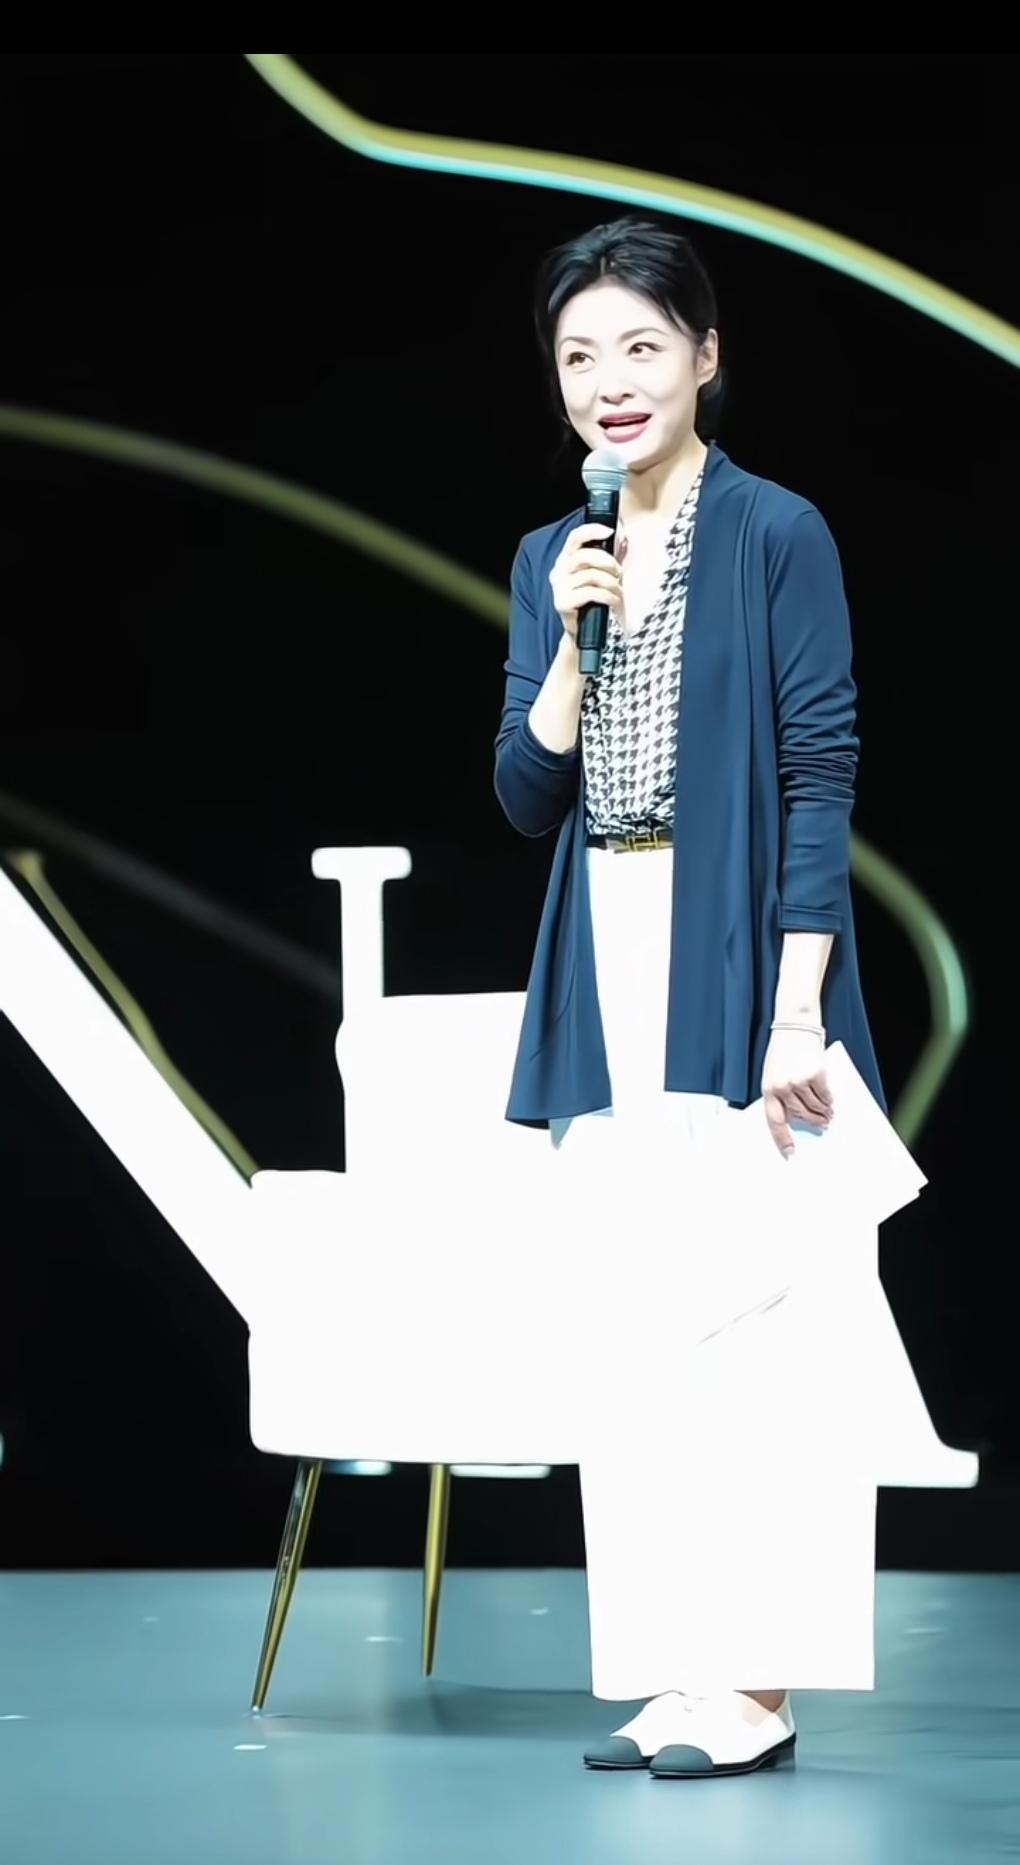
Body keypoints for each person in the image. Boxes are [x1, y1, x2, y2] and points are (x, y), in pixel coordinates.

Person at [493, 216, 886, 1779]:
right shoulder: (554, 555)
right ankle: (677, 1667)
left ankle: (760, 1687)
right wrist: (567, 647)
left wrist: (798, 1005)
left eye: (641, 347)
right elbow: (525, 794)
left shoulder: (778, 531)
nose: (610, 380)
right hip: (605, 944)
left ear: (705, 358)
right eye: (580, 354)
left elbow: (819, 773)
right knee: (641, 1326)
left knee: (760, 1324)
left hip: (736, 946)